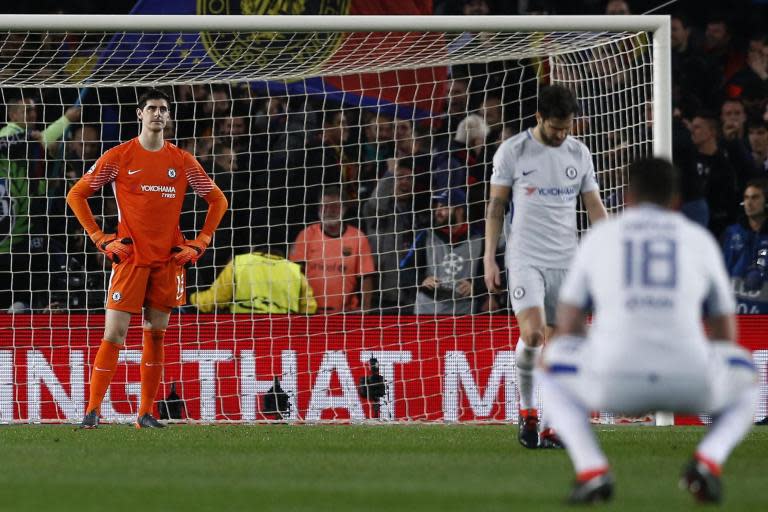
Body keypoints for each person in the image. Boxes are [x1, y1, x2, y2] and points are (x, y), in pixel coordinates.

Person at [537, 157, 758, 504]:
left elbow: (569, 322)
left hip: (613, 380)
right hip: (689, 380)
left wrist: (598, 356)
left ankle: (592, 470)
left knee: (549, 362)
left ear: (627, 197)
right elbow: (724, 329)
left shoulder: (602, 236)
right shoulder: (697, 239)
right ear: (676, 201)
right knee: (749, 374)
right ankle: (707, 460)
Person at [66, 88, 228, 429]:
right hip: (131, 258)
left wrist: (200, 243)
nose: (158, 114)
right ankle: (93, 411)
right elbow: (77, 194)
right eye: (152, 108)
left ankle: (145, 413)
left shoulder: (182, 161)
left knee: (156, 334)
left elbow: (218, 200)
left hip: (168, 260)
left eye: (163, 109)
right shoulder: (119, 157)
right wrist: (99, 237)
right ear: (140, 115)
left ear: (168, 117)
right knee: (115, 334)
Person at [484, 84, 608, 449]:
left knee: (560, 347)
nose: (562, 134)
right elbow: (495, 208)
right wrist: (490, 256)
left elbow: (594, 207)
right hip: (525, 257)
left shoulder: (578, 153)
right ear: (538, 117)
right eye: (556, 127)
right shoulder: (514, 151)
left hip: (567, 260)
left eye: (567, 127)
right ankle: (527, 412)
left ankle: (554, 424)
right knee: (535, 334)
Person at [290, 186, 374, 313]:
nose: (329, 210)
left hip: (344, 313)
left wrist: (366, 308)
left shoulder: (358, 237)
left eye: (335, 206)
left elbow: (366, 276)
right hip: (310, 312)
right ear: (319, 209)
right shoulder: (306, 235)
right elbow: (294, 273)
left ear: (344, 209)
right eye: (325, 206)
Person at [414, 188, 484, 315]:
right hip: (427, 309)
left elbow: (495, 273)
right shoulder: (426, 236)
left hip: (463, 309)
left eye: (443, 207)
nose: (437, 211)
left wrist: (475, 285)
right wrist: (421, 280)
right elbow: (405, 269)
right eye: (437, 206)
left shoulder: (479, 239)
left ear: (459, 210)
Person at [190, 245, 317, 314]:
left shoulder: (240, 263)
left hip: (244, 332)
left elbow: (214, 300)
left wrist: (191, 298)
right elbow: (310, 309)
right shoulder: (295, 272)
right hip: (282, 335)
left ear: (253, 246)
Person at [722, 179, 768, 313]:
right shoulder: (731, 233)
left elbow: (763, 254)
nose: (749, 203)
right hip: (734, 310)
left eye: (755, 197)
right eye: (746, 198)